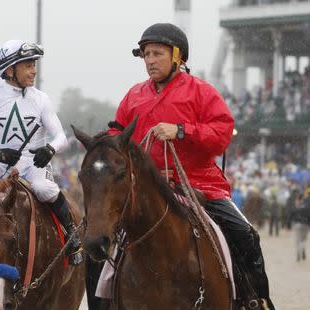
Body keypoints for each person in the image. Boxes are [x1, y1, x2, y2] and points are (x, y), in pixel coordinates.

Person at [107, 23, 274, 309]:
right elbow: (116, 135)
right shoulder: (134, 96)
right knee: (101, 240)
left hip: (200, 184)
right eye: (146, 54)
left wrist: (181, 130)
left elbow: (222, 133)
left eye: (157, 53)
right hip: (146, 190)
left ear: (177, 57)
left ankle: (256, 300)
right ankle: (102, 299)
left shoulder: (202, 91)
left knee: (246, 234)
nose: (149, 61)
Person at [0, 39, 83, 265]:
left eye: (34, 64)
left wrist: (49, 149)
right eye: (28, 65)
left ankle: (71, 234)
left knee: (44, 188)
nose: (34, 70)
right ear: (10, 69)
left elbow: (61, 136)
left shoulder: (41, 99)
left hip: (33, 166)